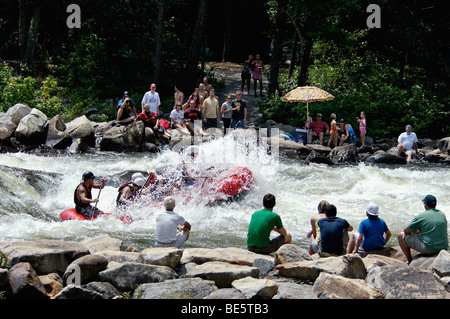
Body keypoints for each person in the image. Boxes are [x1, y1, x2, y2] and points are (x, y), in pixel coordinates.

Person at [398, 195, 448, 264]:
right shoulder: (442, 214)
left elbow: (406, 231)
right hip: (443, 247)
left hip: (429, 248)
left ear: (426, 204)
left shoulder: (421, 216)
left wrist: (415, 231)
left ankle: (409, 260)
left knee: (401, 235)